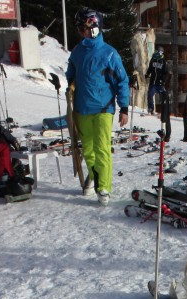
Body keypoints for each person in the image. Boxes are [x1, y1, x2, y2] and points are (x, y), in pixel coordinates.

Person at [66, 8, 129, 206]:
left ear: (93, 27)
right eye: (78, 29)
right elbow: (71, 74)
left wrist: (124, 107)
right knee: (88, 150)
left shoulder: (110, 53)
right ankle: (94, 175)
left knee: (102, 149)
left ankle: (104, 186)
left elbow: (122, 80)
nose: (80, 32)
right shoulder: (77, 52)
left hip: (103, 108)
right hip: (82, 109)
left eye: (82, 28)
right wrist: (69, 85)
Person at [145, 46, 168, 115]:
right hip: (153, 82)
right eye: (157, 52)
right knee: (150, 94)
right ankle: (150, 109)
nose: (158, 53)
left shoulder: (163, 61)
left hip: (160, 83)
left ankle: (163, 111)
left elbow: (165, 73)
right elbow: (150, 68)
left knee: (164, 96)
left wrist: (163, 81)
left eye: (160, 52)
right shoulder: (153, 59)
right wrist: (147, 74)